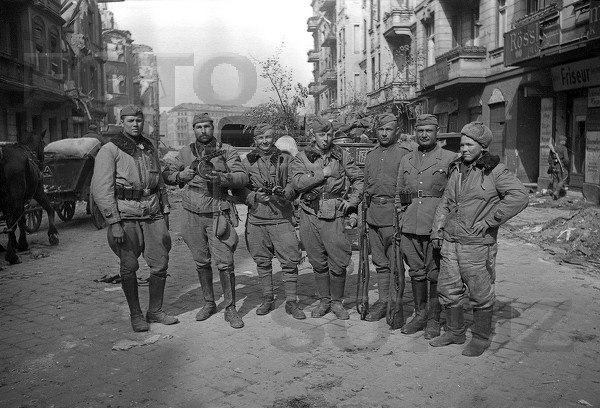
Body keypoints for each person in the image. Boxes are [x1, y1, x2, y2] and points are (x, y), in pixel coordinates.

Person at [429, 122, 528, 356]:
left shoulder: (495, 171)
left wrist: (492, 220)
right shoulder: (456, 169)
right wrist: (437, 229)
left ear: (482, 146)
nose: (464, 149)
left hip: (477, 244)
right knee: (449, 289)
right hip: (451, 241)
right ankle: (455, 332)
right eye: (462, 144)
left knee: (480, 292)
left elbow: (520, 196)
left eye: (469, 145)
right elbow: (446, 201)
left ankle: (481, 338)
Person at [91, 104, 178, 332]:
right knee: (129, 266)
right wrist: (114, 222)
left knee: (160, 263)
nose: (135, 124)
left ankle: (155, 311)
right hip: (126, 217)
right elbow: (102, 189)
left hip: (153, 214)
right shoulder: (110, 150)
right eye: (130, 121)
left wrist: (165, 210)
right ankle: (136, 315)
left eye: (139, 120)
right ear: (122, 122)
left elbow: (159, 183)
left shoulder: (148, 147)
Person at [162, 112, 248, 329]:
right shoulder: (185, 152)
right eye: (199, 127)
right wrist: (180, 176)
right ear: (194, 129)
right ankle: (209, 303)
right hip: (192, 212)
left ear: (213, 128)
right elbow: (167, 174)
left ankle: (230, 308)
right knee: (201, 261)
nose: (203, 130)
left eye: (207, 126)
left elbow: (242, 176)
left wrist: (223, 177)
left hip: (217, 210)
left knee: (225, 262)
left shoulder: (226, 150)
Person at [290, 116, 364, 320]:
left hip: (334, 212)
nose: (326, 138)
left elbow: (358, 179)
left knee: (338, 260)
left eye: (329, 134)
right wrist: (322, 173)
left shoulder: (342, 155)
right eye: (321, 134)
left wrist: (352, 201)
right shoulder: (301, 158)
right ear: (313, 135)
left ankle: (337, 302)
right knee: (317, 260)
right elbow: (298, 183)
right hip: (309, 213)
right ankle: (324, 301)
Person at [394, 114, 457, 338]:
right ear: (415, 133)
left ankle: (433, 319)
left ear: (437, 132)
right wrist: (401, 217)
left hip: (434, 224)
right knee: (416, 271)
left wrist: (444, 225)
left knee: (434, 273)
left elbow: (453, 195)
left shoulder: (450, 158)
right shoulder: (407, 159)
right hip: (410, 223)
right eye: (420, 131)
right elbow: (399, 192)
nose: (424, 135)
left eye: (429, 131)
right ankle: (420, 315)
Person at [241, 123, 305, 319]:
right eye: (260, 138)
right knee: (262, 261)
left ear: (273, 137)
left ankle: (292, 301)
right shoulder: (247, 161)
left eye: (268, 137)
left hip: (282, 218)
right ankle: (268, 298)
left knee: (290, 260)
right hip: (257, 219)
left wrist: (287, 192)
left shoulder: (286, 159)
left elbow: (294, 182)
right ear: (255, 140)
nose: (264, 141)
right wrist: (254, 196)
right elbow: (239, 187)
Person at [361, 113, 414, 322]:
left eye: (388, 129)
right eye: (381, 129)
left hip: (394, 215)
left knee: (395, 263)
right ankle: (383, 301)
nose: (384, 133)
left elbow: (409, 187)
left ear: (397, 132)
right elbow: (366, 187)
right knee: (380, 262)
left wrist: (403, 213)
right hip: (373, 214)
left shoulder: (405, 154)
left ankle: (395, 304)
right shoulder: (371, 155)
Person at [547, 135, 570, 200]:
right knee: (562, 180)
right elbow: (566, 159)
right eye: (564, 141)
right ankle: (556, 192)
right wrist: (567, 165)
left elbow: (549, 159)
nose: (565, 142)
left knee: (555, 180)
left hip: (554, 166)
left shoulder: (554, 148)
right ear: (562, 141)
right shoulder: (564, 148)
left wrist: (552, 165)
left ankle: (554, 197)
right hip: (560, 166)